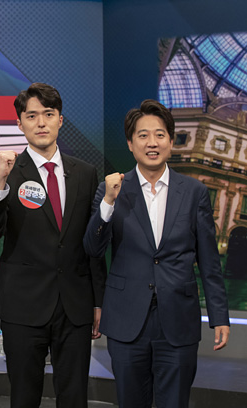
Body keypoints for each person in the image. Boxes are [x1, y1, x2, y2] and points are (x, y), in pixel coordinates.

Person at [83, 99, 230, 408]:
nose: (152, 142)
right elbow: (93, 249)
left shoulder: (194, 192)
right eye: (143, 135)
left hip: (178, 320)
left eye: (160, 134)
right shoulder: (111, 189)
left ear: (171, 141)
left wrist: (219, 316)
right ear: (130, 143)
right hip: (126, 321)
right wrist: (108, 203)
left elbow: (209, 261)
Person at [0, 83, 106, 408]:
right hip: (23, 304)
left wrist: (98, 300)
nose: (41, 123)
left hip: (74, 304)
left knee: (74, 397)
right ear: (19, 123)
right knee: (24, 396)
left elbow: (92, 243)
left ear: (60, 120)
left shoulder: (85, 173)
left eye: (48, 114)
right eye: (32, 116)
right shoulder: (5, 173)